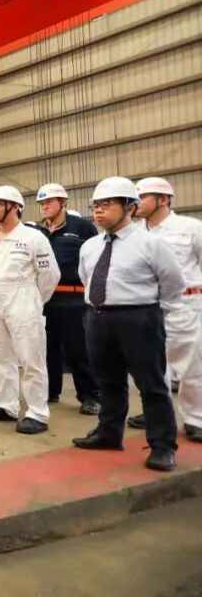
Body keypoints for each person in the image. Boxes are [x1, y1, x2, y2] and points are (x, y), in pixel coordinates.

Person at [73, 177, 183, 471]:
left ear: (130, 207)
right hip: (98, 317)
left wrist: (153, 313)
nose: (98, 210)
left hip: (139, 317)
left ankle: (162, 446)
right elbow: (87, 278)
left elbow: (173, 282)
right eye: (95, 205)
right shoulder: (90, 247)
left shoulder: (150, 244)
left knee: (151, 384)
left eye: (107, 204)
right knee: (108, 380)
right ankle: (109, 433)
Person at [0, 186, 60, 435]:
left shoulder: (33, 237)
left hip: (23, 296)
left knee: (31, 356)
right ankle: (6, 405)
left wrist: (34, 301)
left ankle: (37, 412)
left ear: (15, 207)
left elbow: (50, 275)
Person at [131, 177, 202, 443]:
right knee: (151, 366)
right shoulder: (134, 233)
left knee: (192, 365)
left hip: (186, 306)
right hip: (147, 306)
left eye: (143, 197)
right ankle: (156, 412)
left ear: (163, 199)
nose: (137, 203)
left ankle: (196, 418)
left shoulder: (190, 228)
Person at [36, 183, 100, 415]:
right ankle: (51, 390)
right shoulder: (38, 232)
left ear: (63, 202)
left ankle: (90, 396)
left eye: (49, 202)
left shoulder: (82, 227)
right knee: (47, 347)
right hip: (44, 297)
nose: (44, 207)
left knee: (78, 349)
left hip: (73, 298)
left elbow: (95, 259)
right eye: (41, 203)